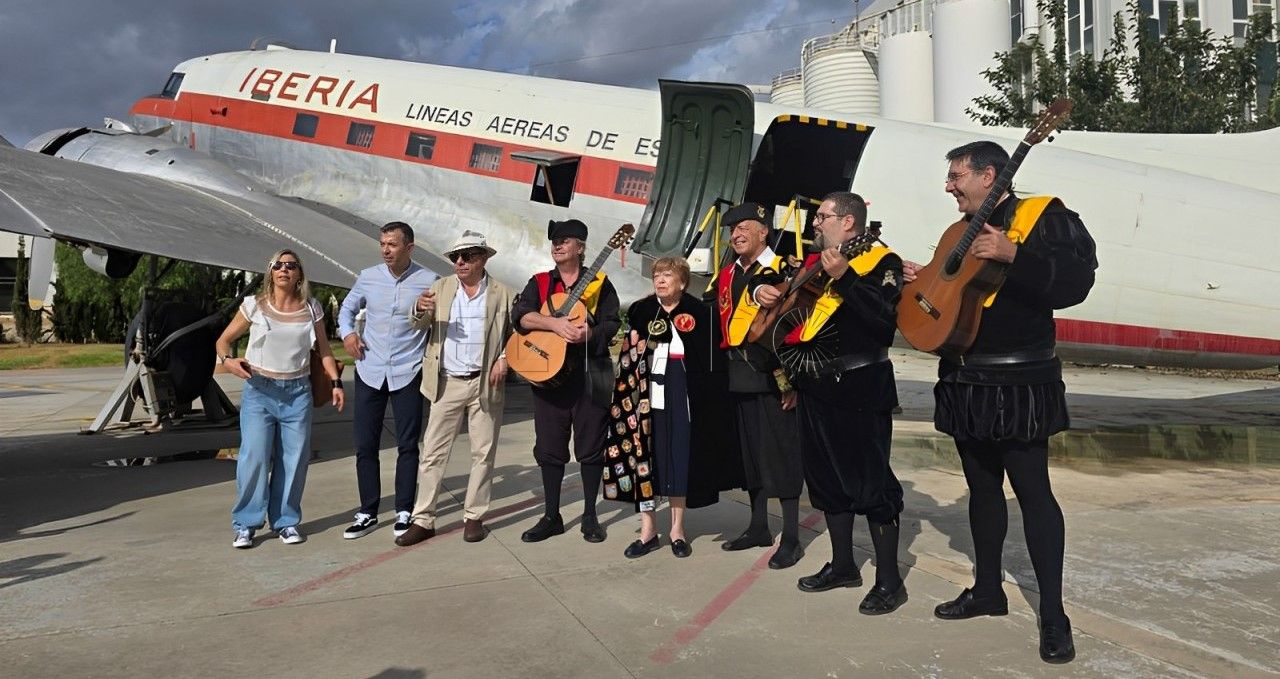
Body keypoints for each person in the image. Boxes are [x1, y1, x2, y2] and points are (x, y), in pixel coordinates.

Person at [903, 141, 1097, 663]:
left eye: (956, 175)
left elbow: (1079, 282)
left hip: (1020, 382)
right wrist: (922, 280)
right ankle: (987, 590)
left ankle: (1054, 616)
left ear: (989, 175)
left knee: (1034, 493)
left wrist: (1016, 256)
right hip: (967, 378)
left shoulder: (1045, 217)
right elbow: (957, 288)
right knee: (981, 490)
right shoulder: (961, 231)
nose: (949, 185)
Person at [756, 192, 907, 614]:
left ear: (849, 223)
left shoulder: (882, 263)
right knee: (826, 482)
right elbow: (795, 309)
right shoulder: (815, 265)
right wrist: (768, 293)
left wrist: (846, 278)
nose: (815, 224)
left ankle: (889, 581)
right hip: (816, 385)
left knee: (872, 484)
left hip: (860, 387)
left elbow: (883, 321)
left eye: (821, 217)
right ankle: (843, 565)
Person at [609, 257, 742, 559]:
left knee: (679, 456)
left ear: (682, 281)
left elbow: (709, 362)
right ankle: (647, 530)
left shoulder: (698, 311)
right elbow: (629, 356)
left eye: (668, 275)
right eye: (657, 275)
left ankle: (677, 529)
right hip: (645, 393)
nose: (661, 280)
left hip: (683, 390)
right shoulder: (641, 310)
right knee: (645, 456)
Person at [216, 249, 345, 548]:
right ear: (270, 272)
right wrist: (228, 360)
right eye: (279, 265)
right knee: (254, 458)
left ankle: (285, 521)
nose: (284, 269)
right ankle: (246, 524)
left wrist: (336, 382)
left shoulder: (312, 308)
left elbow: (324, 351)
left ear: (300, 274)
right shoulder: (254, 306)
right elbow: (223, 340)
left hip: (297, 393)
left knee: (294, 460)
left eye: (291, 265)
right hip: (260, 390)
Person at [395, 231, 514, 546]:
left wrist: (504, 358)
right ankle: (424, 520)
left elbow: (519, 332)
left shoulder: (504, 293)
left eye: (468, 255)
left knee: (483, 453)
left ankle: (474, 517)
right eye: (455, 257)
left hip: (484, 382)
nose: (460, 262)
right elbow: (417, 323)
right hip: (446, 381)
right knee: (433, 453)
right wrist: (419, 308)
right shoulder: (440, 287)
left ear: (483, 258)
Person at [512, 219, 620, 544]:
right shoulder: (540, 282)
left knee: (591, 449)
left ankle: (590, 514)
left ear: (581, 248)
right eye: (554, 241)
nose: (557, 245)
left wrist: (591, 333)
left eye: (565, 240)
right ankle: (551, 516)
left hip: (591, 376)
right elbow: (520, 315)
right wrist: (553, 325)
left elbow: (612, 323)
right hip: (549, 376)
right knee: (548, 449)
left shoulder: (600, 284)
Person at [714, 202, 805, 569]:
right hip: (738, 375)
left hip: (774, 376)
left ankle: (793, 537)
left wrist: (790, 381)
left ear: (764, 231)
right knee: (750, 455)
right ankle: (757, 526)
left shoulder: (785, 269)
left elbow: (797, 329)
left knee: (782, 455)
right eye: (732, 230)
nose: (735, 235)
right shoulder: (726, 275)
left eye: (744, 228)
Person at [337, 222, 438, 540]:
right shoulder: (368, 276)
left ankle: (405, 510)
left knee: (408, 445)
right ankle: (367, 511)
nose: (385, 250)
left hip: (407, 371)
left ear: (409, 247)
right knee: (365, 445)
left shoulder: (429, 280)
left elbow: (439, 321)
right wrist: (349, 333)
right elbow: (346, 309)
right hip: (369, 369)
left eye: (392, 244)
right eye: (382, 244)